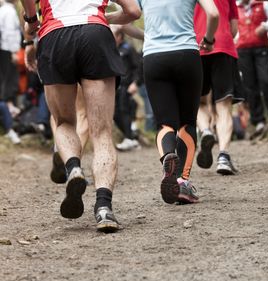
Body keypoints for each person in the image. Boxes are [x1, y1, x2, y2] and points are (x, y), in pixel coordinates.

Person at [21, 0, 140, 233]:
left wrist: (31, 20)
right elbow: (134, 11)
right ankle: (104, 208)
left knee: (64, 121)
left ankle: (74, 168)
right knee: (102, 131)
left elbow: (28, 11)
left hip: (54, 35)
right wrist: (108, 18)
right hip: (95, 34)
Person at [110, 0, 219, 204]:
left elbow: (125, 21)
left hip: (154, 57)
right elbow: (213, 14)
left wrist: (148, 35)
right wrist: (209, 39)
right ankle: (182, 182)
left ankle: (168, 156)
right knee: (187, 122)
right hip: (187, 54)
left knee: (165, 123)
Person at [194, 0, 240, 175]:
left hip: (196, 46)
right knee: (223, 105)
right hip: (223, 47)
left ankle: (206, 130)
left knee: (200, 103)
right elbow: (234, 28)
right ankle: (223, 157)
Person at [236, 0, 268, 139]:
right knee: (250, 85)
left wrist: (265, 26)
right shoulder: (235, 7)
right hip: (243, 50)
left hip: (261, 47)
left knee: (267, 79)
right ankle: (258, 120)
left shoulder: (264, 5)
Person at [111, 24, 142, 152]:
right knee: (114, 114)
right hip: (114, 87)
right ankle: (131, 137)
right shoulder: (112, 50)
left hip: (126, 85)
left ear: (120, 36)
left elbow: (138, 67)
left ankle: (129, 138)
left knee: (125, 110)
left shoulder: (128, 49)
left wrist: (135, 83)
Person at [0, 0, 22, 116]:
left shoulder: (3, 10)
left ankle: (8, 106)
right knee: (9, 77)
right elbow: (9, 33)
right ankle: (8, 106)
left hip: (4, 49)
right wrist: (14, 52)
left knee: (5, 77)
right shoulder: (9, 11)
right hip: (7, 49)